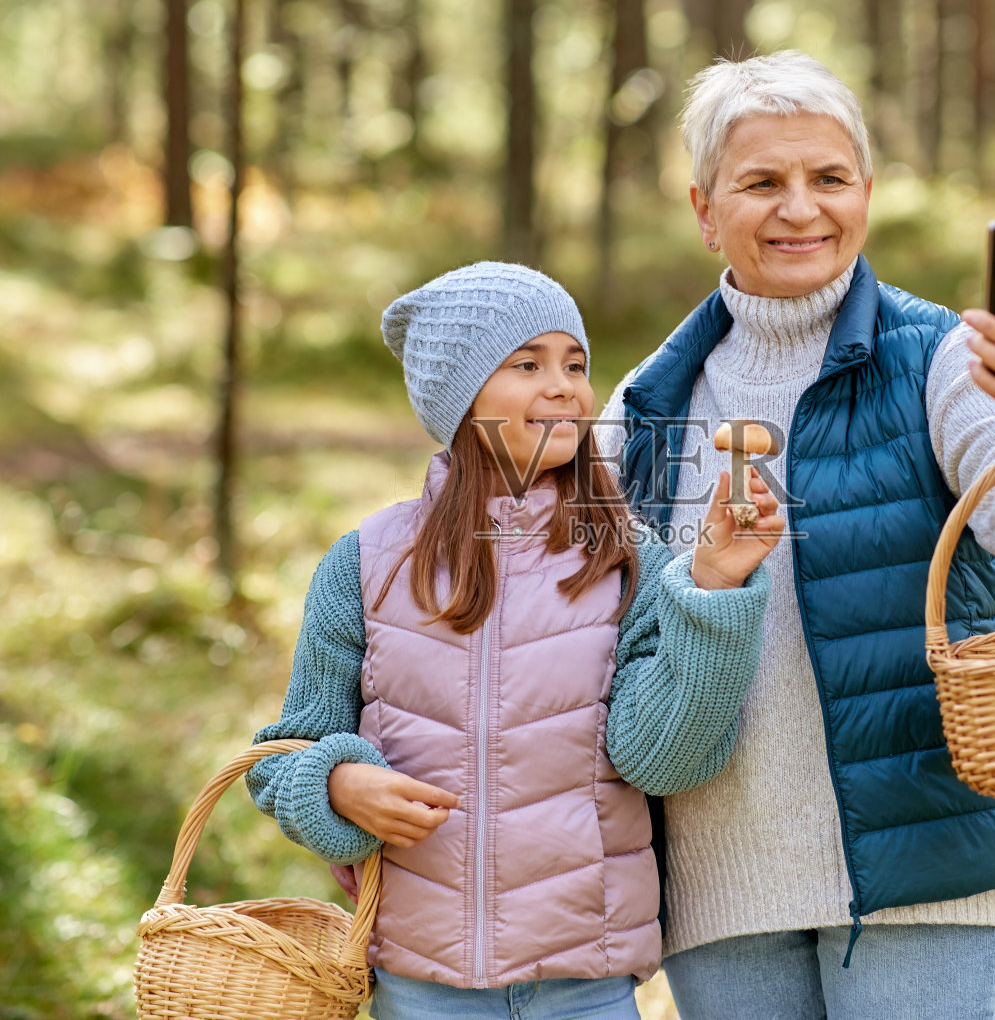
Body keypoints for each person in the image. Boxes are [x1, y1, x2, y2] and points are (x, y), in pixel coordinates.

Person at [594, 50, 995, 1019]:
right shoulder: (643, 405)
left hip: (930, 859)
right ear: (704, 208)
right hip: (718, 881)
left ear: (866, 193)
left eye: (828, 178)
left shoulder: (942, 360)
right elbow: (570, 640)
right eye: (762, 182)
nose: (801, 207)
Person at [245, 262, 784, 1020]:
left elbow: (663, 759)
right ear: (461, 400)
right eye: (527, 363)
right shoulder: (366, 563)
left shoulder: (627, 557)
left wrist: (716, 590)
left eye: (575, 364)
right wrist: (335, 785)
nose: (564, 384)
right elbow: (283, 757)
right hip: (419, 983)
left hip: (585, 985)